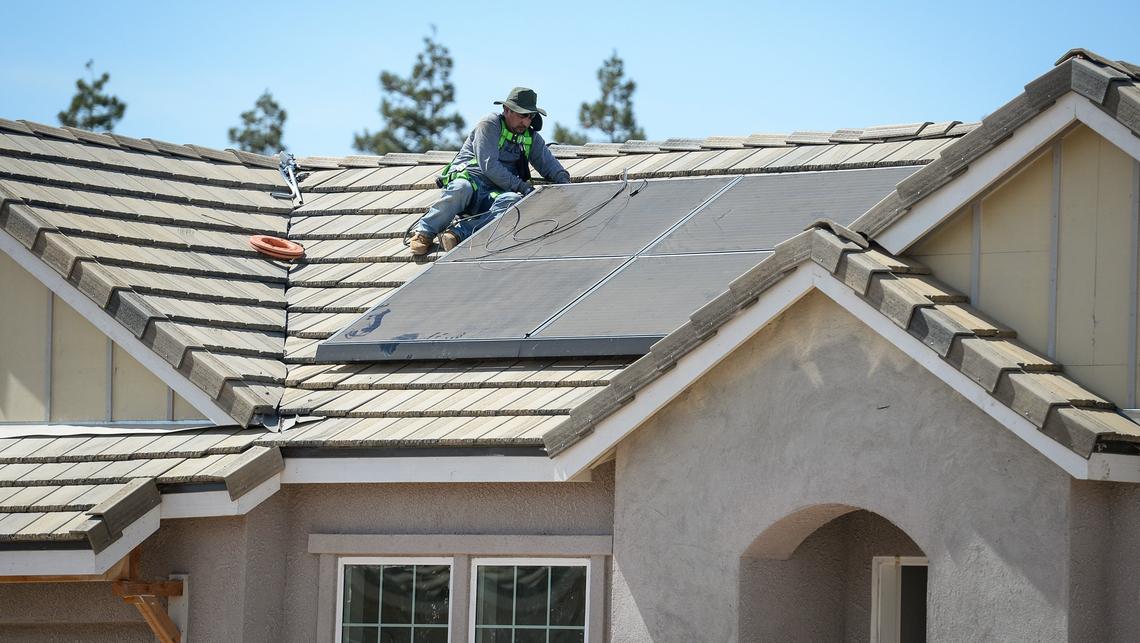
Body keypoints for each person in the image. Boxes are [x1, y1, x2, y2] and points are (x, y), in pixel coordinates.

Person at [408, 87, 571, 255]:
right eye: (522, 115)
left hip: (495, 196)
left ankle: (457, 235)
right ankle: (424, 234)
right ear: (507, 110)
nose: (526, 121)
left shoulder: (530, 138)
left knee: (513, 203)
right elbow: (489, 166)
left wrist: (565, 183)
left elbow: (549, 164)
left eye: (530, 116)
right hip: (471, 185)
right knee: (460, 188)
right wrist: (524, 188)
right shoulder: (489, 125)